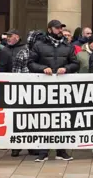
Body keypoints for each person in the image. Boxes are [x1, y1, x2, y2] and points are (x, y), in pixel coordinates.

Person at [28, 19, 79, 162]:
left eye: (61, 28)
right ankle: (43, 151)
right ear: (50, 29)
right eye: (57, 28)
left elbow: (75, 63)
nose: (60, 31)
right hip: (44, 88)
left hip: (62, 88)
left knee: (61, 118)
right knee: (45, 118)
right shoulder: (39, 45)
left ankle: (61, 151)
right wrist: (42, 69)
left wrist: (67, 69)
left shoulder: (67, 46)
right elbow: (31, 63)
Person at [10, 30, 44, 157]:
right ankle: (16, 147)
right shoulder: (23, 53)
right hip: (24, 91)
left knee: (34, 121)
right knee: (21, 120)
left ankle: (32, 146)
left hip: (38, 92)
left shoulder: (42, 54)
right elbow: (15, 73)